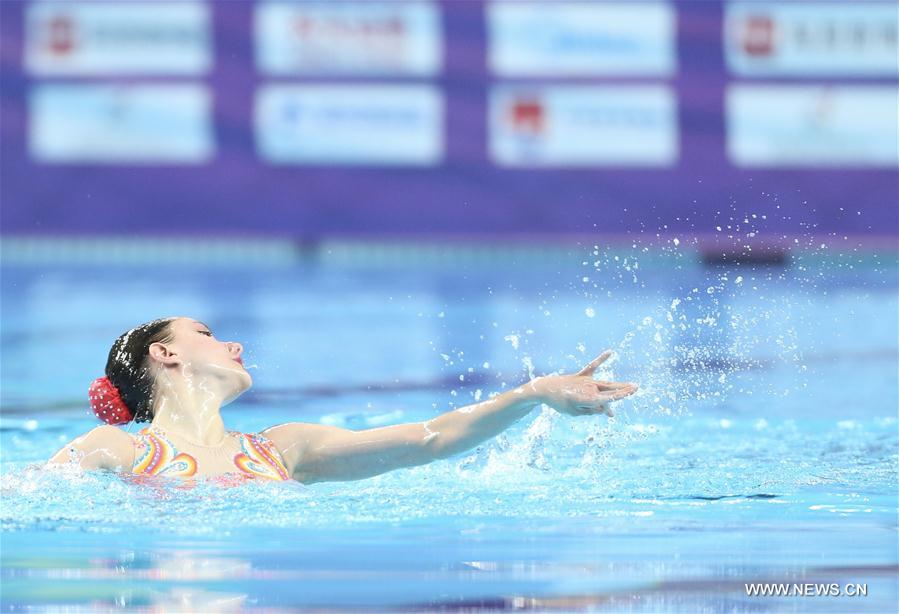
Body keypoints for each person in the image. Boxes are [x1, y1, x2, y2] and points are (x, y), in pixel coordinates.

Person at [49, 317, 639, 483]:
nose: (233, 344)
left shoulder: (285, 449)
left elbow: (431, 440)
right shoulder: (117, 450)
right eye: (205, 333)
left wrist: (535, 393)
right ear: (165, 353)